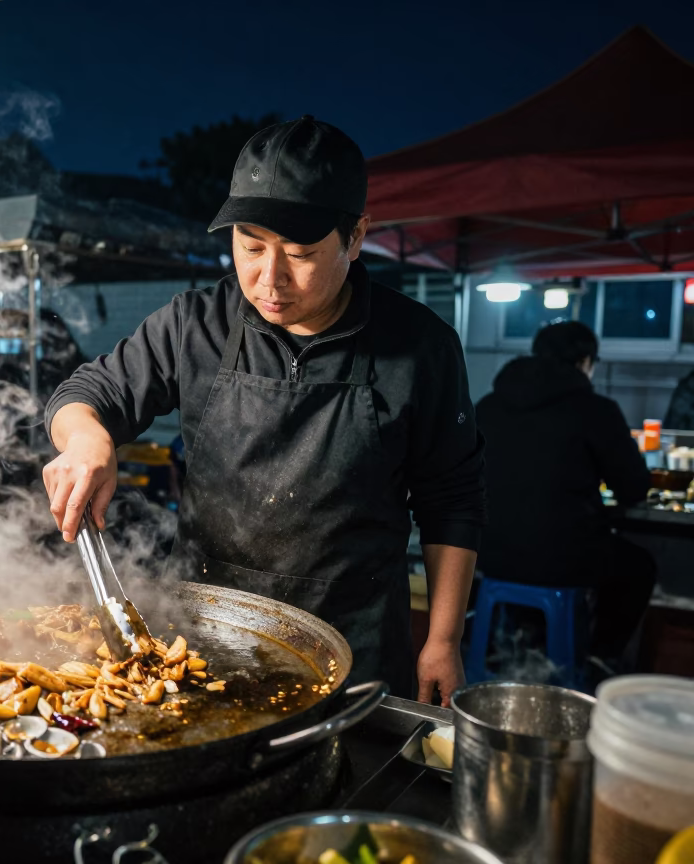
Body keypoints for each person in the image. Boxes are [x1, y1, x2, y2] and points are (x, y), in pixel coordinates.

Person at [42, 117, 486, 704]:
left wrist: (443, 639)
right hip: (198, 637)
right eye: (250, 247)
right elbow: (85, 394)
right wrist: (86, 442)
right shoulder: (194, 323)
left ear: (354, 239)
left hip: (351, 642)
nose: (268, 279)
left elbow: (451, 500)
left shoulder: (421, 346)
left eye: (300, 254)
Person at [476, 321, 654, 671]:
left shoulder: (489, 405)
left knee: (547, 554)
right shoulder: (596, 409)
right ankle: (599, 656)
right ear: (586, 361)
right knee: (639, 566)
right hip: (561, 559)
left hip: (488, 554)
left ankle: (531, 644)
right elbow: (633, 487)